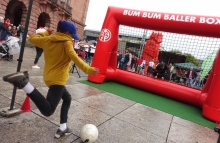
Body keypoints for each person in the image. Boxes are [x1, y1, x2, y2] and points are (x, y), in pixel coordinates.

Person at [2, 20, 99, 138]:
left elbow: (32, 38)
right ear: (67, 33)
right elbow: (75, 58)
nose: (72, 38)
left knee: (67, 98)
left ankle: (63, 128)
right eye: (72, 35)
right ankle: (25, 84)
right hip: (58, 80)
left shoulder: (48, 39)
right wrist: (88, 70)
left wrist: (46, 33)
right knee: (48, 110)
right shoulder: (66, 43)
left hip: (49, 77)